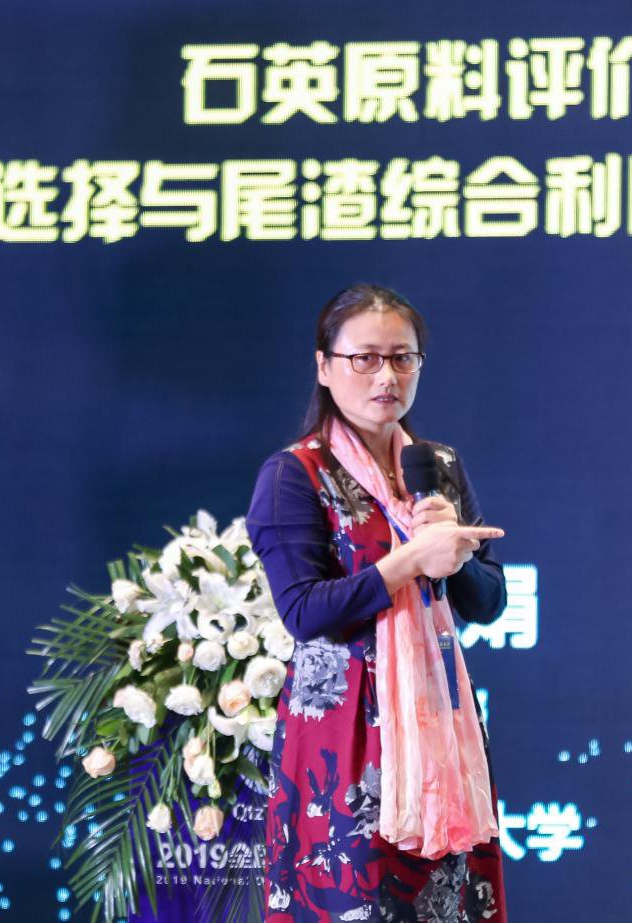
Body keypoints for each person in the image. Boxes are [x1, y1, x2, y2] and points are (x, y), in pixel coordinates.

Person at [245, 283, 510, 922]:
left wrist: (455, 553)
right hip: (343, 743)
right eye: (365, 358)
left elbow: (487, 603)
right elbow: (305, 611)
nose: (386, 376)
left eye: (402, 358)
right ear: (324, 366)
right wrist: (409, 561)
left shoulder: (436, 465)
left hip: (439, 728)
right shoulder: (294, 474)